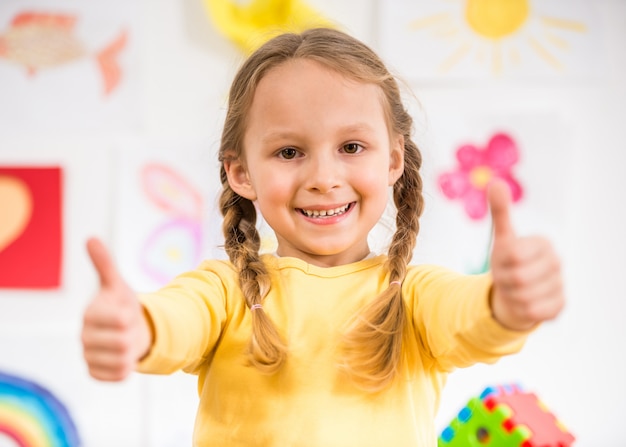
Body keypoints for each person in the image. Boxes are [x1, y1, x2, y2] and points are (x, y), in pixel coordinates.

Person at [81, 27, 565, 446]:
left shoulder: (413, 299)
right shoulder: (225, 294)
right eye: (290, 151)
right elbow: (173, 321)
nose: (324, 177)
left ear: (393, 159)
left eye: (351, 146)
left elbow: (472, 316)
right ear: (241, 172)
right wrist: (135, 327)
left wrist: (508, 301)